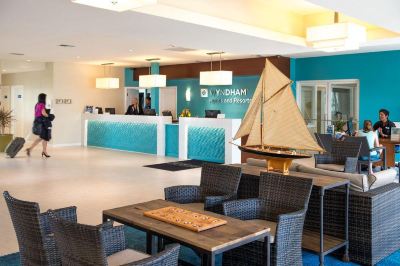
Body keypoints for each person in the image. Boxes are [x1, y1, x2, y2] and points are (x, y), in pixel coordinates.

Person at [26, 93, 51, 158]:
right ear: (44, 98)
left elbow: (37, 114)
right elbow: (43, 113)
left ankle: (41, 150)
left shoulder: (37, 104)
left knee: (42, 137)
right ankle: (41, 151)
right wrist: (49, 116)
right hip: (42, 123)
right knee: (44, 137)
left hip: (37, 121)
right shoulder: (42, 104)